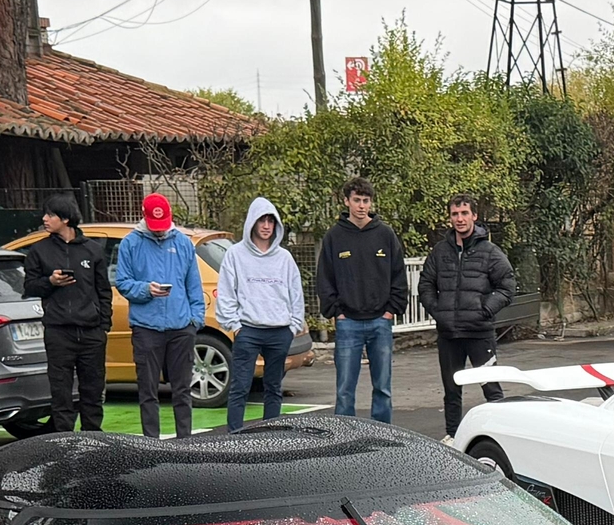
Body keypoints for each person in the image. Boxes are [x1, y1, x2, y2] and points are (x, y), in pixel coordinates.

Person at [418, 194, 515, 436]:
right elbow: (425, 285)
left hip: (480, 333)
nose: (459, 219)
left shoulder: (490, 252)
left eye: (464, 213)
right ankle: (453, 437)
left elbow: (507, 286)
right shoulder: (440, 252)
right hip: (449, 334)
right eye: (454, 214)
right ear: (450, 217)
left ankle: (500, 436)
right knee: (451, 391)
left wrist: (485, 310)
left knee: (491, 389)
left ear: (474, 216)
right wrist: (438, 311)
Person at [111, 192, 204, 437]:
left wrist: (195, 320)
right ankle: (151, 444)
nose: (160, 231)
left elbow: (193, 284)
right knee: (147, 390)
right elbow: (122, 282)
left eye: (163, 226)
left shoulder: (183, 243)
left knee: (182, 390)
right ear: (144, 216)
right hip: (146, 327)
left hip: (181, 327)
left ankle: (185, 442)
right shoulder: (130, 243)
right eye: (155, 226)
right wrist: (145, 289)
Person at [315, 178, 406, 421]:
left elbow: (399, 274)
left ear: (371, 203)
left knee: (383, 390)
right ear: (346, 202)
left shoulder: (385, 234)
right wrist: (337, 312)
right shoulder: (334, 237)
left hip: (380, 322)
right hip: (348, 325)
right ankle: (344, 442)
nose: (361, 206)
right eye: (357, 200)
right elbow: (324, 278)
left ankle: (382, 440)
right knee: (345, 391)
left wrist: (391, 311)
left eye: (366, 201)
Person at [19, 194, 111, 433]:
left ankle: (92, 437)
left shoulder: (93, 251)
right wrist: (50, 281)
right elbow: (29, 287)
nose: (45, 219)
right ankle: (64, 439)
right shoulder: (39, 251)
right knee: (61, 390)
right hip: (58, 332)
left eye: (50, 215)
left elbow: (104, 290)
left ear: (66, 219)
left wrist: (103, 326)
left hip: (91, 332)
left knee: (92, 389)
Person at [215, 196, 307, 429]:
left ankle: (270, 438)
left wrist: (293, 325)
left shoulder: (284, 258)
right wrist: (235, 326)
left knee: (273, 387)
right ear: (252, 223)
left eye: (271, 221)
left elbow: (296, 293)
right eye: (261, 220)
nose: (266, 226)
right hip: (248, 331)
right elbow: (226, 292)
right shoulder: (235, 255)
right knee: (240, 387)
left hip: (279, 332)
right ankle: (234, 437)